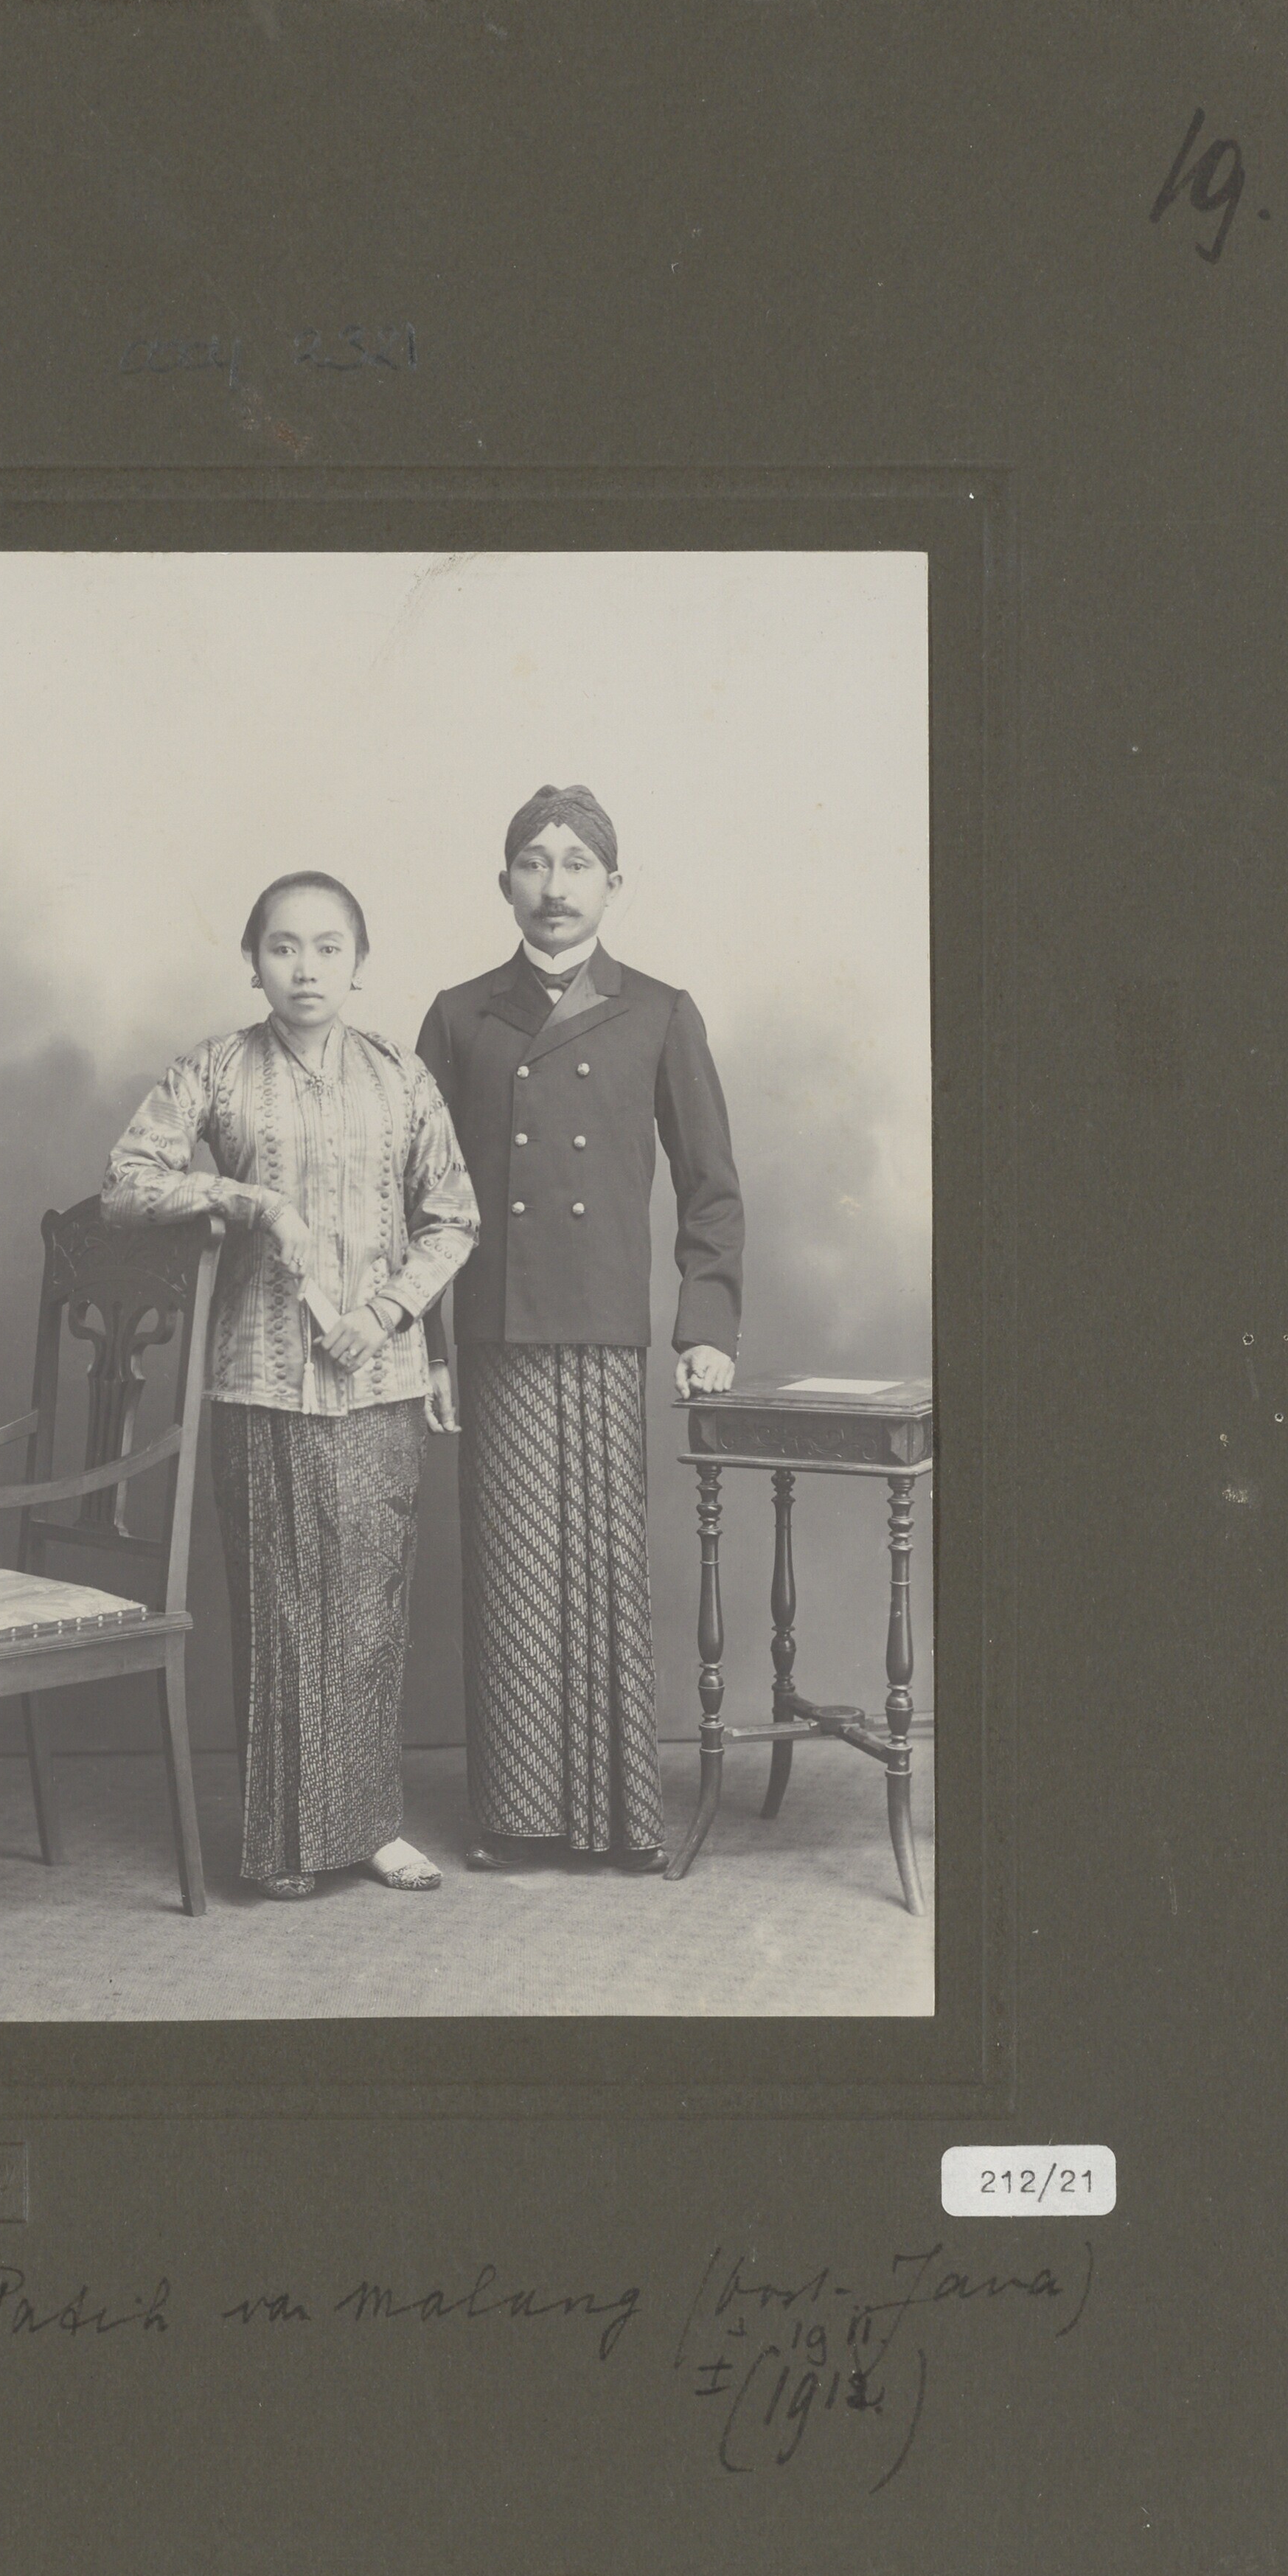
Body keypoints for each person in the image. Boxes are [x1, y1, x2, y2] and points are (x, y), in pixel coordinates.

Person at [102, 872, 478, 1901]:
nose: (305, 968)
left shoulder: (401, 1076)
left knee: (369, 1611)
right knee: (279, 1615)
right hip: (258, 1381)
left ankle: (373, 1830)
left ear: (359, 962)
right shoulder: (215, 1069)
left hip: (379, 1380)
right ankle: (283, 1844)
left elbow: (453, 1218)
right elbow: (128, 1182)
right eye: (282, 947)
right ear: (252, 960)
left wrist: (388, 1312)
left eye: (326, 947)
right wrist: (252, 1200)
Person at [416, 785, 744, 1873]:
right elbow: (413, 1203)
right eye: (533, 863)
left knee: (604, 1571)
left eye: (575, 864)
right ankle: (516, 1818)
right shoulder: (458, 1017)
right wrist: (426, 1347)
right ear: (504, 881)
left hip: (605, 1322)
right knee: (513, 1577)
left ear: (613, 883)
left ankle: (615, 1817)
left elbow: (710, 1187)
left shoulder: (659, 1011)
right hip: (496, 1328)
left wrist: (706, 1325)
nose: (553, 887)